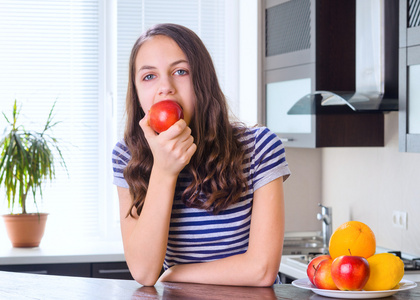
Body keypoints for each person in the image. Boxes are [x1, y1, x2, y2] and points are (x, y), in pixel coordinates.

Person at [112, 23, 291, 287]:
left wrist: (174, 274)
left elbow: (261, 270)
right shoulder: (127, 156)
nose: (165, 88)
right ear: (138, 94)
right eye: (149, 76)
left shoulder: (259, 148)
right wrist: (164, 170)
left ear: (202, 81)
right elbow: (144, 272)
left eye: (180, 71)